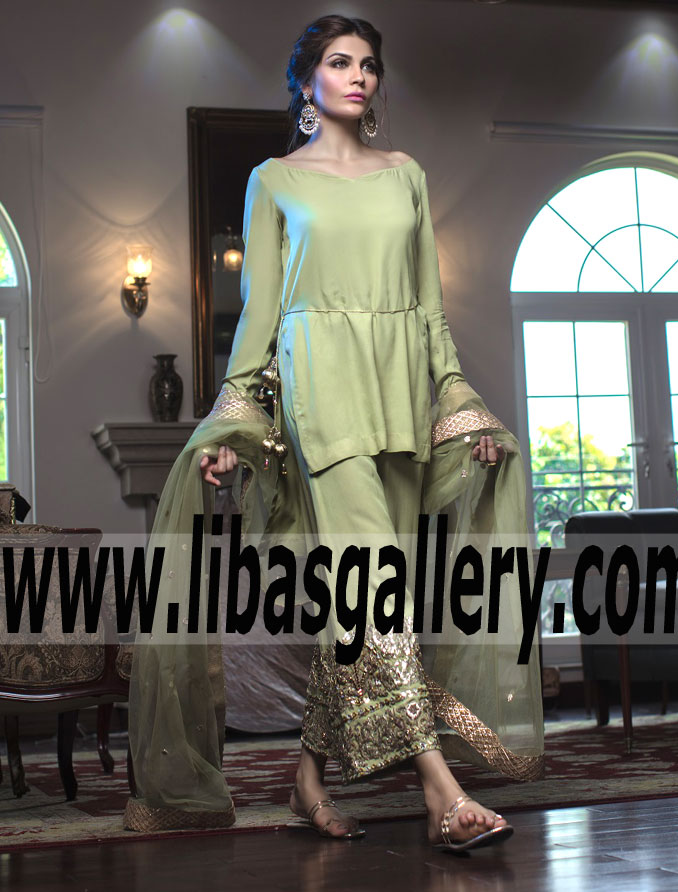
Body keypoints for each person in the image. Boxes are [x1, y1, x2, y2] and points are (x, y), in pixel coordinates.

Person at [124, 14, 544, 854]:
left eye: (370, 64)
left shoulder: (406, 176)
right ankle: (442, 794)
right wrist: (234, 423)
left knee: (367, 602)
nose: (360, 76)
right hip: (321, 403)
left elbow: (429, 314)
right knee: (377, 590)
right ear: (307, 81)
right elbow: (260, 315)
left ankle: (307, 780)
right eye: (341, 62)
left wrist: (463, 406)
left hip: (401, 407)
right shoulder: (276, 180)